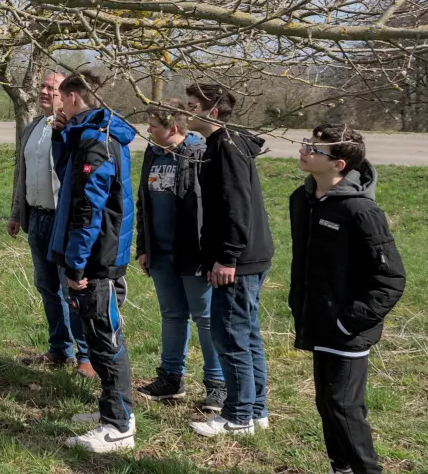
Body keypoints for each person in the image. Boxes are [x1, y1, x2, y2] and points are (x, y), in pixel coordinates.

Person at [290, 124, 406, 474]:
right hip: (318, 321)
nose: (304, 150)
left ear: (338, 164)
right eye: (306, 143)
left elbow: (391, 279)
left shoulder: (361, 212)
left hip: (347, 329)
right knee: (326, 404)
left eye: (315, 148)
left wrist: (347, 320)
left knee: (343, 405)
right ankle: (340, 468)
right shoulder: (304, 200)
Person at [48, 72, 139, 454]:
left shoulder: (96, 142)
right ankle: (112, 410)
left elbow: (88, 211)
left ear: (72, 97)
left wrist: (77, 265)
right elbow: (67, 179)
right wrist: (59, 135)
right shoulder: (87, 135)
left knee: (105, 339)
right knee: (98, 334)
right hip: (94, 256)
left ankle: (118, 426)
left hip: (97, 259)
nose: (56, 104)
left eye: (59, 98)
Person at [183, 82, 275, 438]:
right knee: (247, 334)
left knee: (232, 335)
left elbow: (236, 206)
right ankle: (256, 408)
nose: (187, 110)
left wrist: (227, 258)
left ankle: (237, 416)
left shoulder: (227, 148)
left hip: (238, 260)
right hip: (246, 257)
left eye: (192, 105)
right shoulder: (223, 144)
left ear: (212, 112)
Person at [134, 102, 224, 411]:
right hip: (160, 254)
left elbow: (213, 207)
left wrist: (215, 254)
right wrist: (143, 246)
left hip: (194, 254)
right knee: (172, 315)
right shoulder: (153, 153)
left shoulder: (200, 154)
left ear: (173, 129)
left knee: (206, 318)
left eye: (154, 126)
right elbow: (142, 202)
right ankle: (171, 378)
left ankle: (217, 384)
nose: (148, 130)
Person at [8, 70, 92, 377]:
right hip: (38, 218)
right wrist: (17, 213)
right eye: (42, 85)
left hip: (63, 221)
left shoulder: (74, 128)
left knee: (71, 288)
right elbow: (24, 173)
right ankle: (59, 350)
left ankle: (86, 355)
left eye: (51, 87)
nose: (44, 91)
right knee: (47, 287)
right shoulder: (33, 127)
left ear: (67, 93)